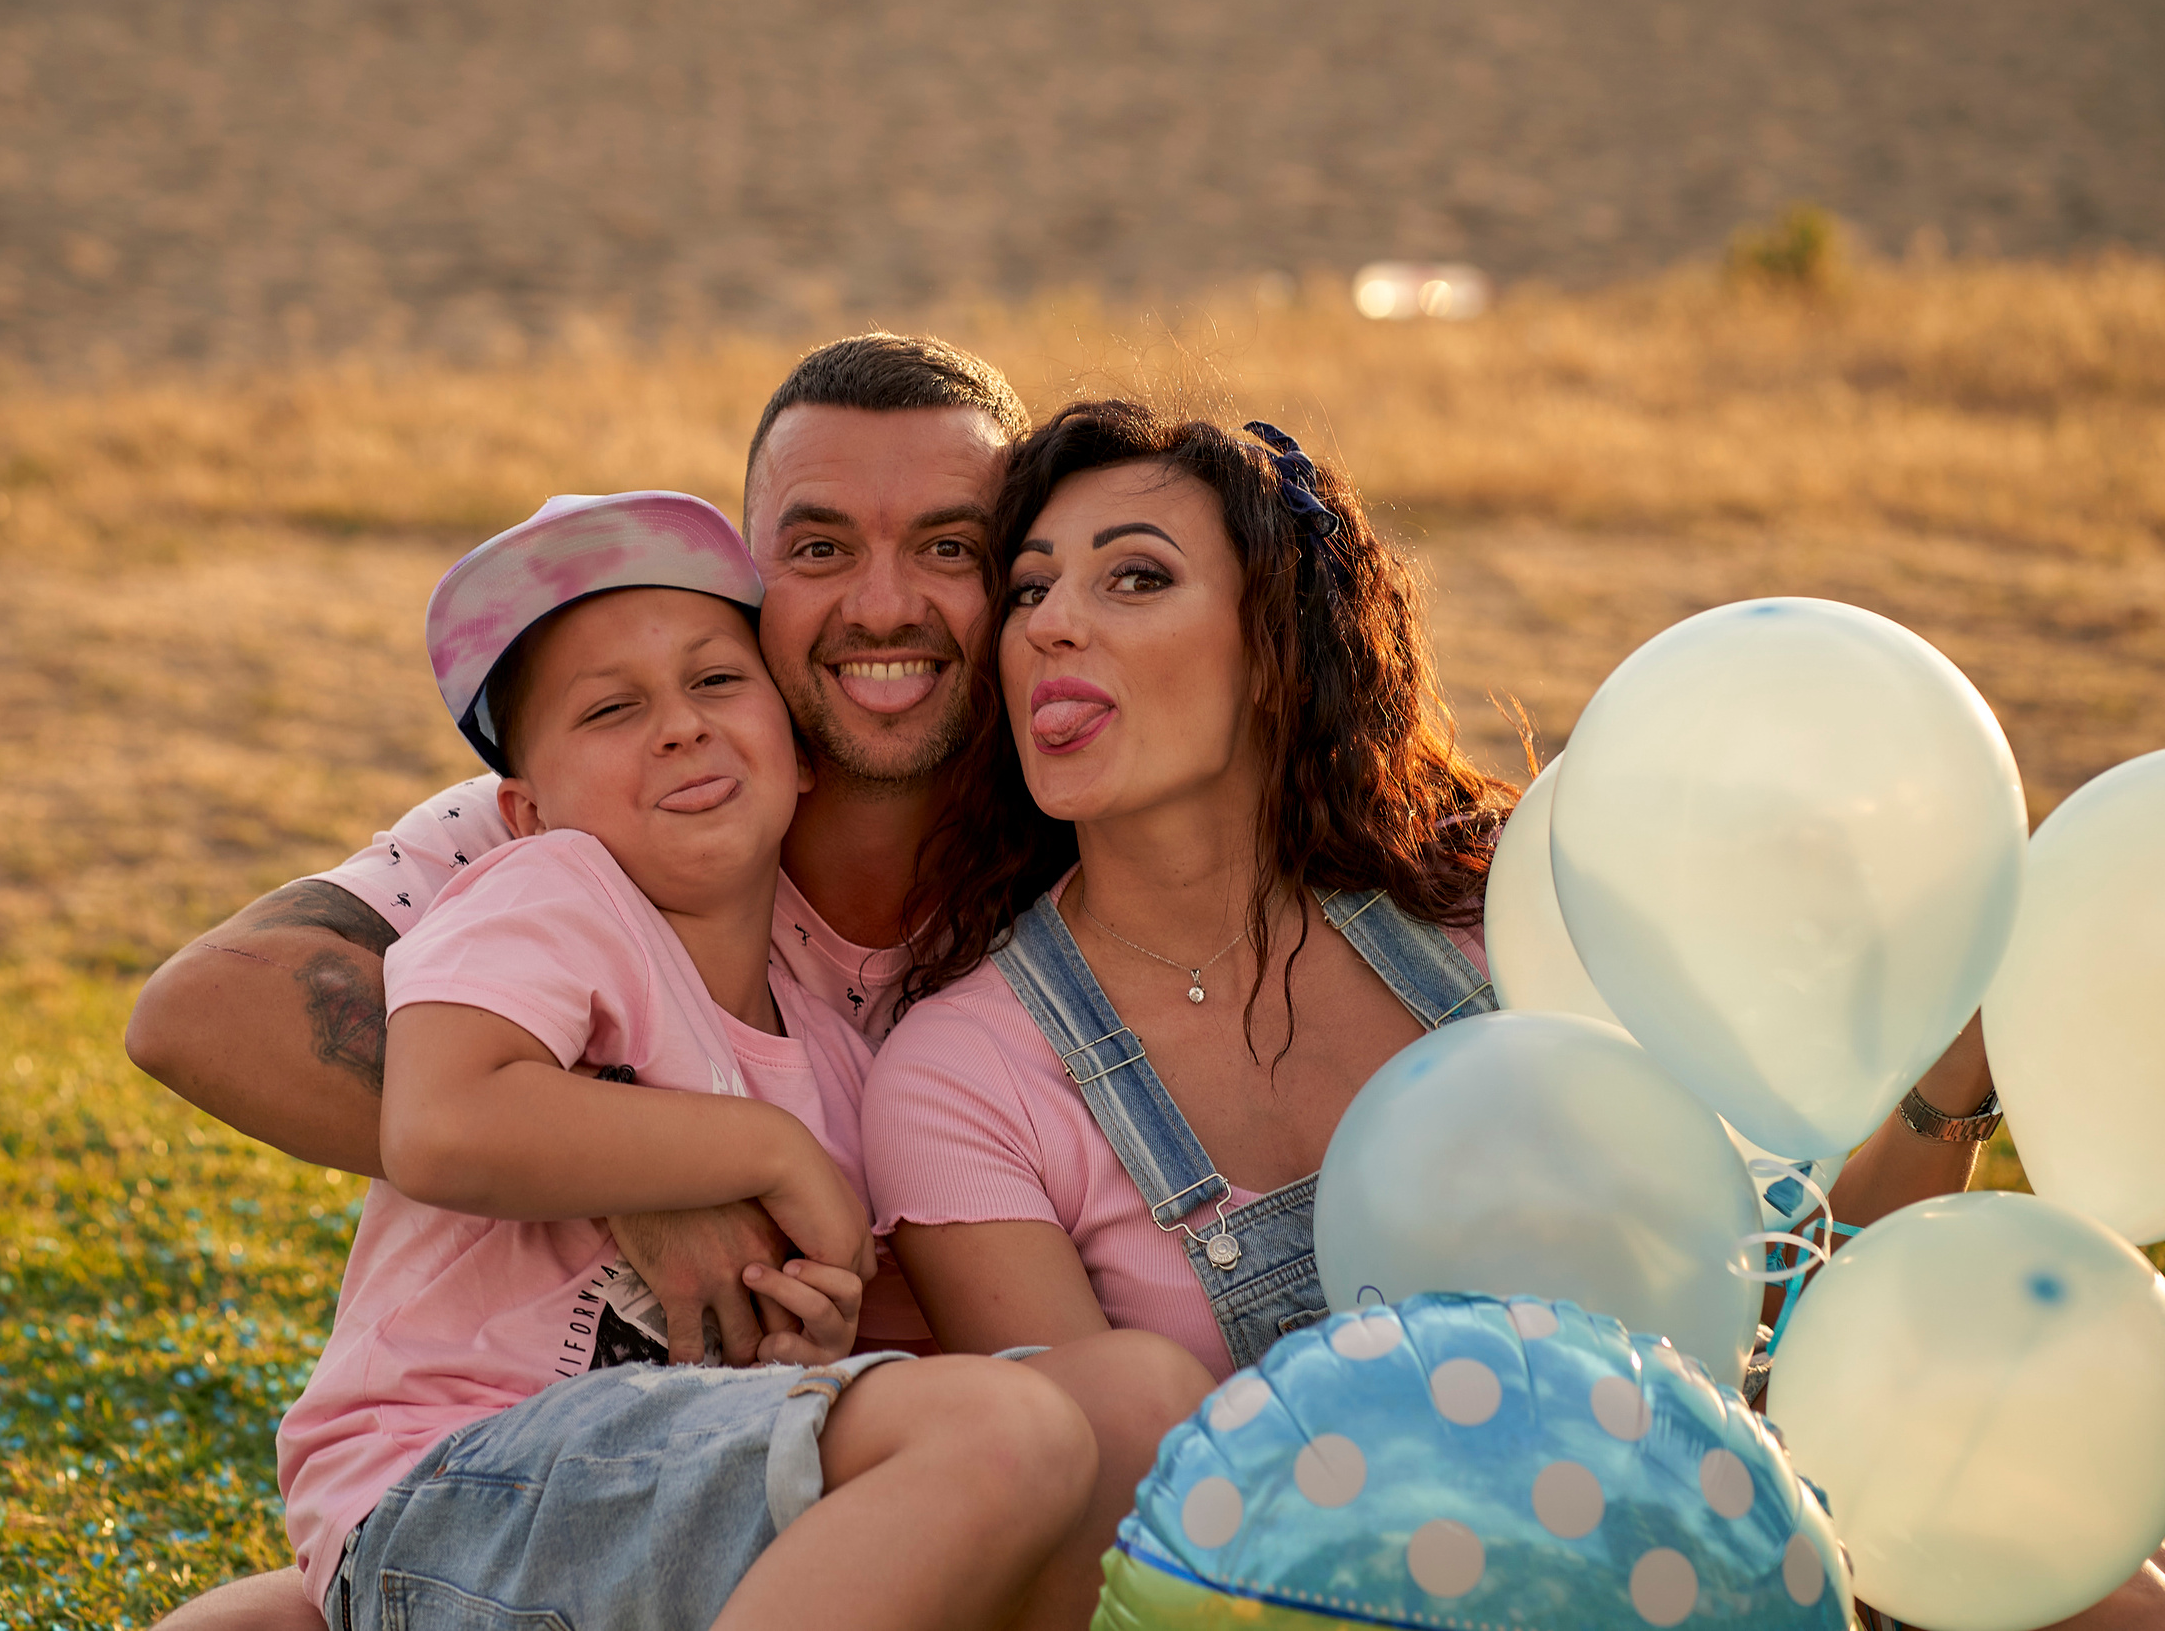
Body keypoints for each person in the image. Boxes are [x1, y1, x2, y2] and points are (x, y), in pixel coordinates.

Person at [859, 398, 2161, 1631]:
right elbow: (1111, 1544)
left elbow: (1801, 1312)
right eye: (1028, 589)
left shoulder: (1489, 914)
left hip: (1731, 1554)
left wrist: (1951, 1064)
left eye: (1132, 576)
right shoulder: (965, 1072)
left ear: (1274, 647)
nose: (1049, 626)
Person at [133, 337, 1206, 1631]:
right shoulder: (557, 857)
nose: (880, 603)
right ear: (765, 588)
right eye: (817, 550)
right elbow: (211, 1012)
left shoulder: (1073, 848)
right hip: (483, 1475)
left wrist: (800, 1317)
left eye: (948, 547)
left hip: (685, 1469)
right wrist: (654, 1161)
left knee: (1093, 1410)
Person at [281, 488, 1105, 1631]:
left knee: (1068, 1430)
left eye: (718, 682)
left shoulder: (832, 1057)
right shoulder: (551, 896)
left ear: (799, 753)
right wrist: (761, 1150)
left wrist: (800, 1340)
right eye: (611, 709)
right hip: (449, 1484)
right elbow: (439, 1122)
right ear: (525, 811)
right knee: (1005, 1430)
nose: (679, 725)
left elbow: (751, 1382)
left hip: (639, 1512)